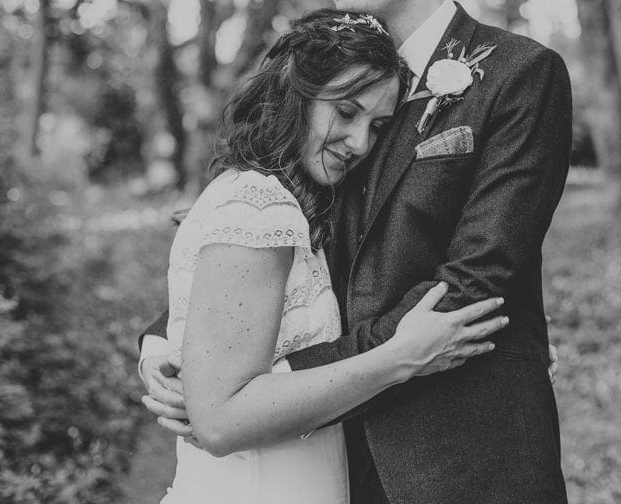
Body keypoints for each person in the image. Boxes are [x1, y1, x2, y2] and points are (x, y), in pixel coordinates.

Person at [143, 0, 573, 501]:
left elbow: (478, 278)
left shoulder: (519, 72)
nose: (360, 142)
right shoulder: (330, 70)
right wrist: (167, 347)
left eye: (372, 124)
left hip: (462, 453)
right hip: (333, 461)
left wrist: (255, 394)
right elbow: (262, 231)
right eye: (348, 114)